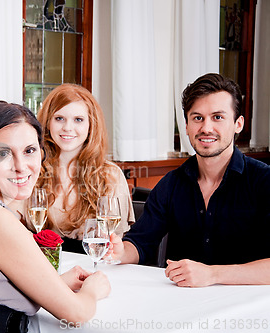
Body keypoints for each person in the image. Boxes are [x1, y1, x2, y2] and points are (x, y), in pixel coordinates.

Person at [0, 101, 109, 332]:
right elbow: (77, 313)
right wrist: (93, 289)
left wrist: (58, 283)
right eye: (3, 153)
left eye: (29, 150)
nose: (21, 166)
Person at [112, 73, 270, 287]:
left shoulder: (264, 181)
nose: (206, 128)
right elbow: (140, 243)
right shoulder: (171, 184)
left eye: (218, 117)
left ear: (238, 124)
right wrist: (119, 251)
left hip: (250, 309)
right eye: (197, 118)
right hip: (184, 306)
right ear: (186, 126)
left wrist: (213, 274)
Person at [35, 83, 134, 253]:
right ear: (48, 122)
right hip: (42, 265)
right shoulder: (33, 169)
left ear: (90, 126)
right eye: (59, 118)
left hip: (92, 266)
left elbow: (115, 242)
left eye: (78, 120)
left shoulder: (110, 175)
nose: (67, 127)